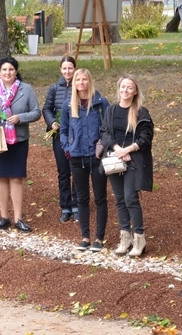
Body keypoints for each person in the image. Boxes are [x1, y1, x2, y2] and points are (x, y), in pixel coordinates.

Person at [0, 56, 40, 233]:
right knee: (1, 176)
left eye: (11, 69)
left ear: (16, 71)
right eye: (4, 70)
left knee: (16, 177)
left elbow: (36, 112)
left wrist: (20, 118)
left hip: (18, 140)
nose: (8, 73)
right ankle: (4, 217)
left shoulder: (26, 90)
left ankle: (18, 218)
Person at [101, 75, 154, 257]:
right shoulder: (111, 111)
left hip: (134, 160)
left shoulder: (141, 112)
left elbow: (146, 137)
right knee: (120, 199)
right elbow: (105, 133)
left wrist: (129, 150)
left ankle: (139, 238)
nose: (125, 90)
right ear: (119, 89)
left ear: (135, 91)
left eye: (129, 88)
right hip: (115, 159)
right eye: (123, 87)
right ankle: (125, 237)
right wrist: (117, 149)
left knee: (131, 198)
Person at [59, 69, 109, 252]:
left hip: (96, 156)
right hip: (76, 157)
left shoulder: (101, 103)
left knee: (100, 197)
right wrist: (67, 148)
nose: (81, 82)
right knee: (81, 197)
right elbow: (63, 130)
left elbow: (108, 127)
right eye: (78, 79)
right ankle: (85, 236)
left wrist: (102, 146)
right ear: (74, 83)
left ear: (90, 81)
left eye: (84, 79)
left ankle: (99, 238)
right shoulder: (68, 105)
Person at [42, 55, 78, 223]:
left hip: (77, 136)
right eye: (64, 68)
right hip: (59, 135)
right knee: (63, 171)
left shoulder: (80, 86)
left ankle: (77, 204)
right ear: (60, 70)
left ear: (75, 69)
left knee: (77, 170)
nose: (67, 71)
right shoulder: (54, 88)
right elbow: (47, 109)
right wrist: (52, 122)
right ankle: (66, 206)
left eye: (70, 68)